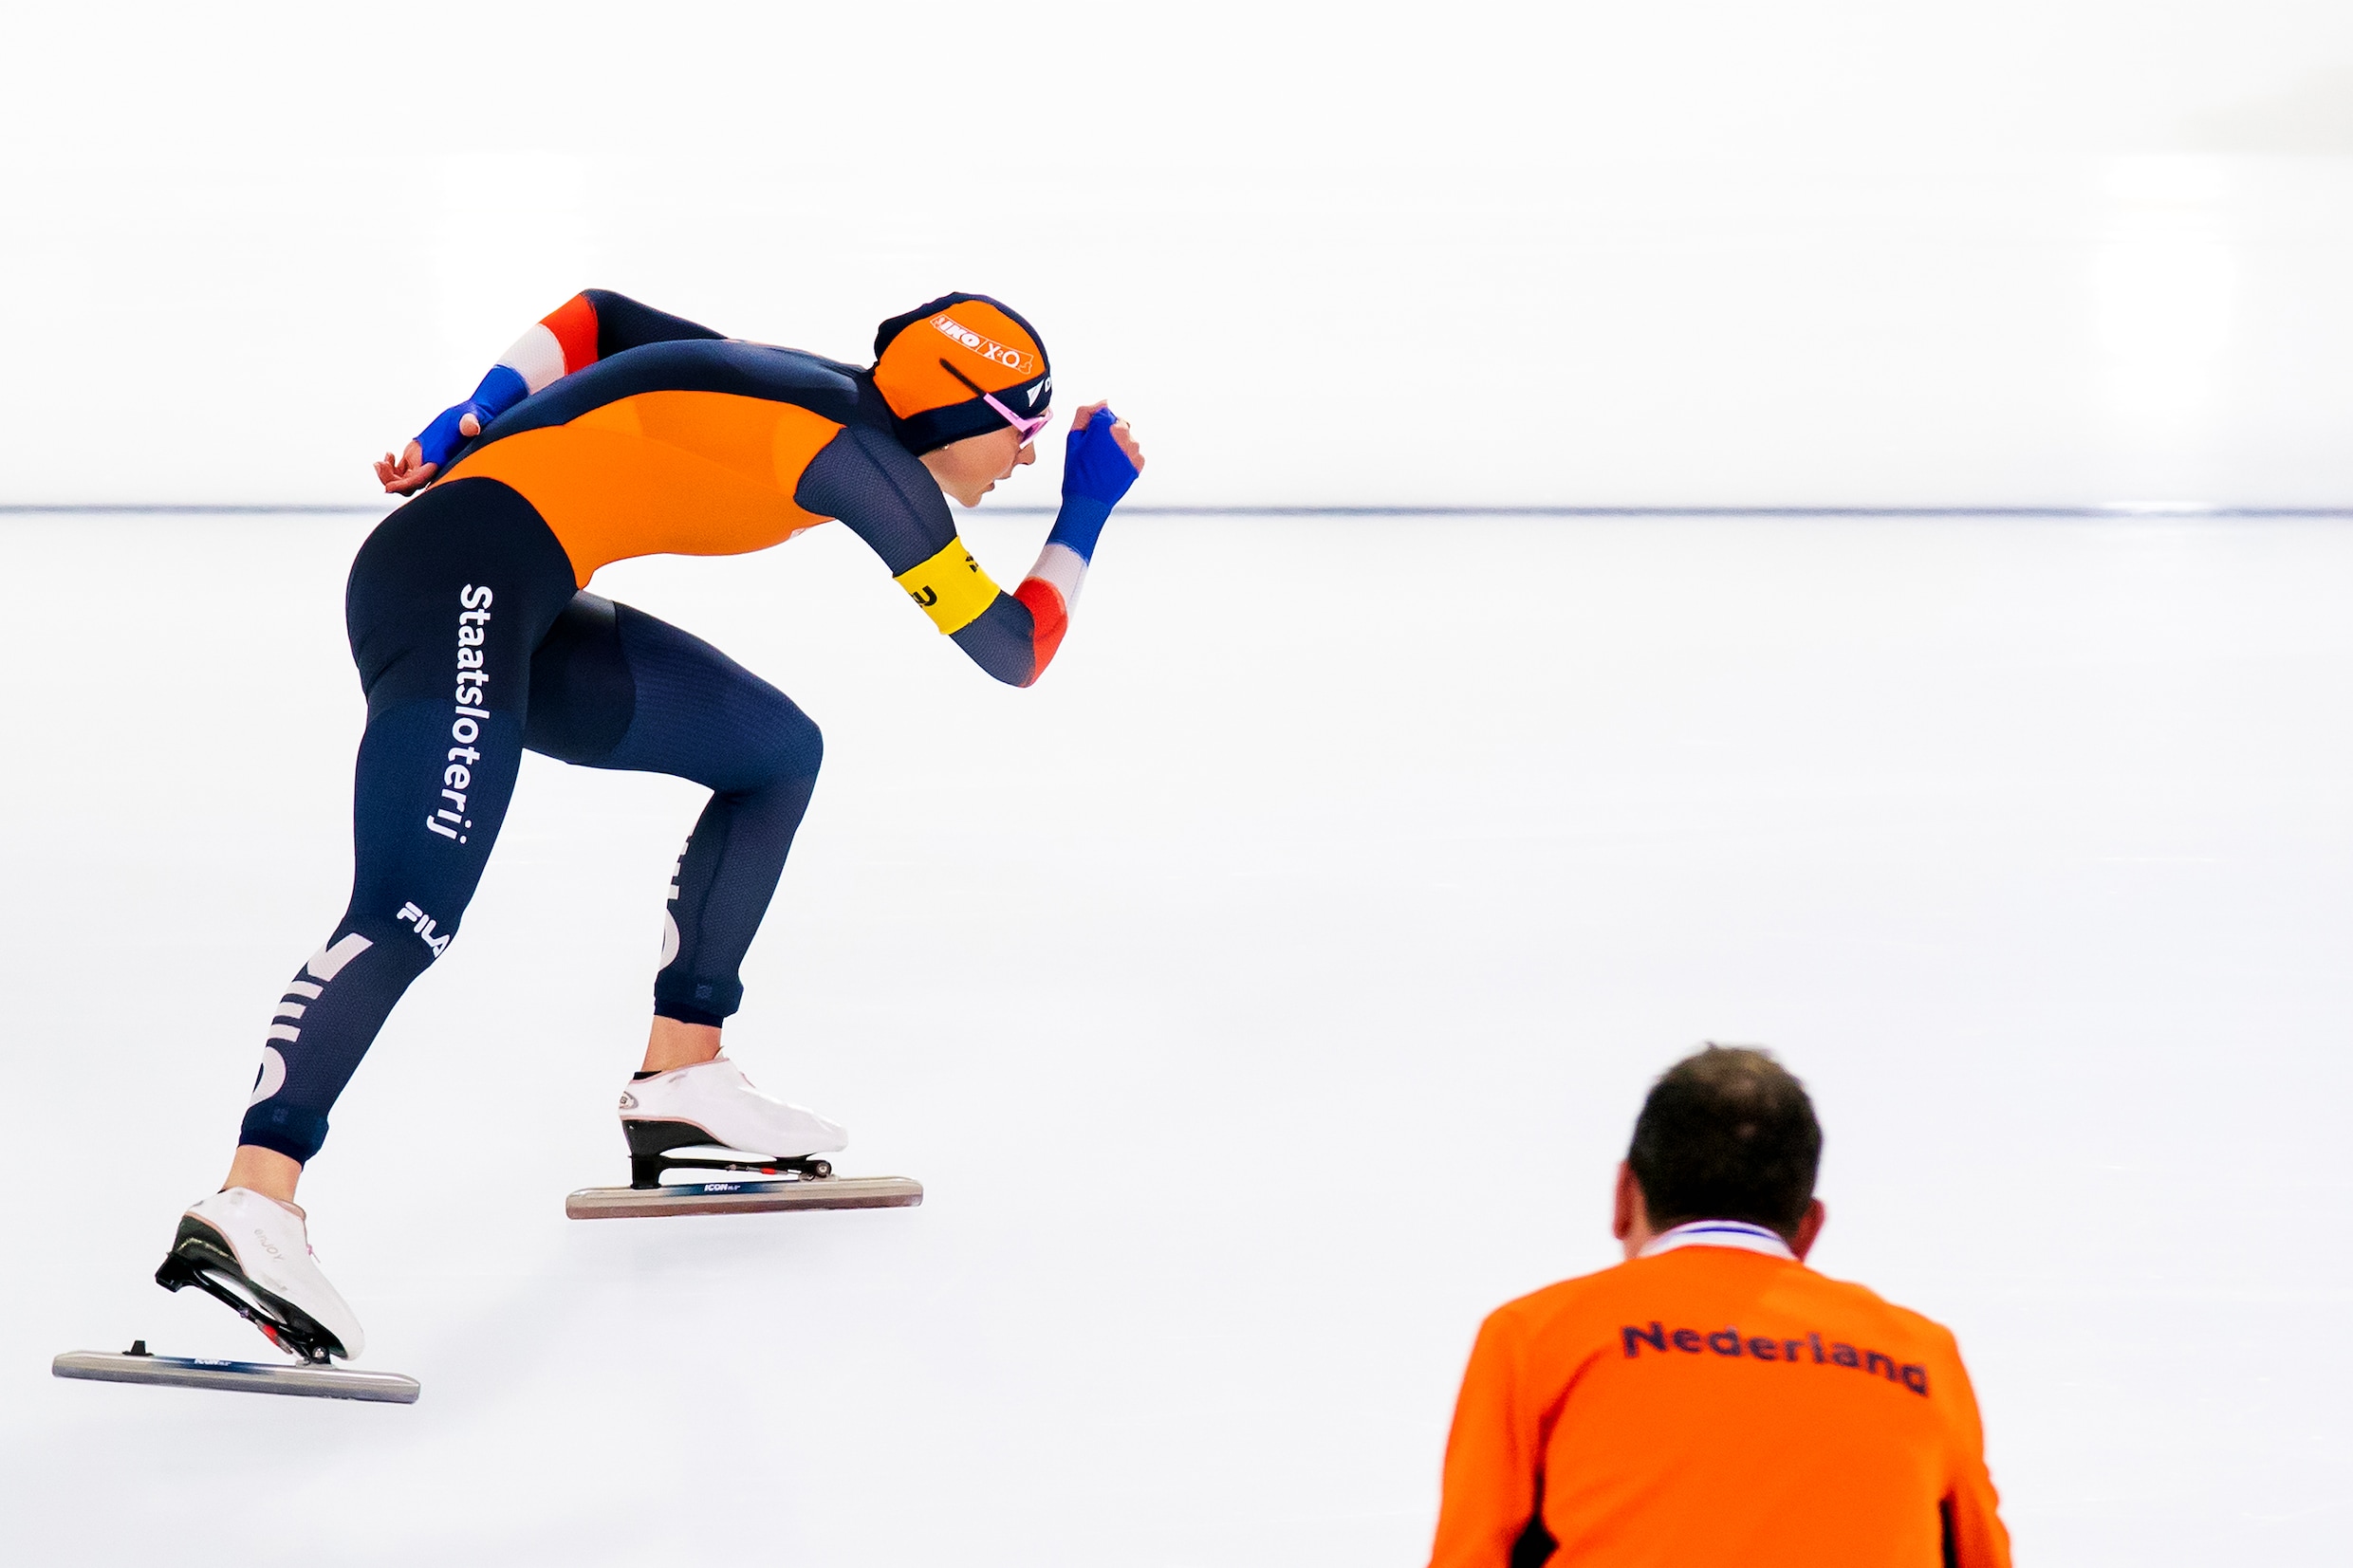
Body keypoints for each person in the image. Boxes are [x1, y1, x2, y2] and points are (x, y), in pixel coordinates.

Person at [155, 289, 1145, 1364]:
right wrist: (1088, 508)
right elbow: (1013, 651)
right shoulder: (870, 468)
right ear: (955, 410)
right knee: (407, 909)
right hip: (453, 579)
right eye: (1022, 430)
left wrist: (472, 409)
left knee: (773, 755)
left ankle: (683, 1081)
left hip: (518, 591)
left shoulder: (797, 379)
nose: (1028, 457)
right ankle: (252, 1202)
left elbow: (602, 317)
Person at [1428, 1045, 2010, 1568]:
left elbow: (1472, 1555)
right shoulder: (1922, 1356)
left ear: (1624, 1196)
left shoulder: (1535, 1335)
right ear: (1808, 1229)